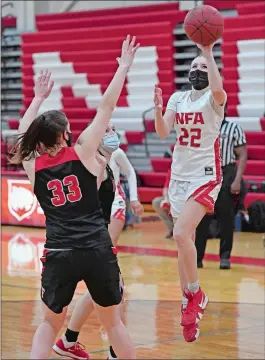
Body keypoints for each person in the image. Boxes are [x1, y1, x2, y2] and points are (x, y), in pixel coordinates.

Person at [10, 35, 140, 360]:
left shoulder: (32, 165)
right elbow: (107, 105)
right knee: (114, 326)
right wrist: (123, 66)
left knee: (48, 325)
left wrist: (38, 98)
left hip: (58, 250)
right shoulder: (82, 152)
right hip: (95, 246)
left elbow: (24, 129)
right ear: (66, 134)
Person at [154, 43, 227, 342]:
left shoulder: (214, 98)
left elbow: (220, 91)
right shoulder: (177, 98)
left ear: (211, 73)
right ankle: (189, 307)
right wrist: (159, 110)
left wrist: (207, 52)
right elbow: (162, 132)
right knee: (185, 244)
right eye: (194, 67)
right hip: (179, 175)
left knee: (182, 234)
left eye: (203, 68)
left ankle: (196, 295)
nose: (197, 71)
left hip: (205, 174)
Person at [53, 124, 143, 360]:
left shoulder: (113, 156)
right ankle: (110, 350)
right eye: (107, 129)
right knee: (112, 286)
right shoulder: (88, 158)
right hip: (95, 224)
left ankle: (69, 340)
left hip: (108, 212)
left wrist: (134, 198)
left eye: (114, 129)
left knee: (106, 288)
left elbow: (131, 173)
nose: (113, 133)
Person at [195, 111, 247, 269]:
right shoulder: (203, 128)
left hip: (226, 172)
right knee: (201, 219)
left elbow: (243, 155)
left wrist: (237, 180)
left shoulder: (234, 128)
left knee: (226, 219)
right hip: (206, 173)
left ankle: (225, 257)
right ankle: (197, 258)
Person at [152, 168, 174, 238]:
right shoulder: (172, 169)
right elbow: (166, 187)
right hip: (173, 197)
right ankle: (172, 229)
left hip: (186, 198)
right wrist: (166, 199)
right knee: (157, 202)